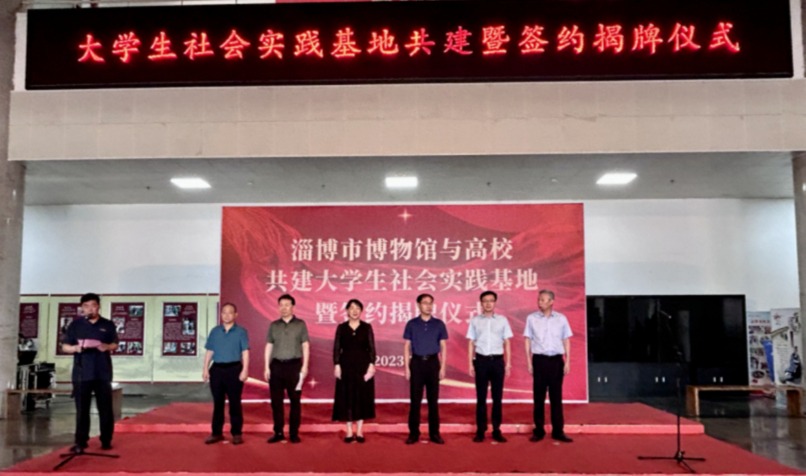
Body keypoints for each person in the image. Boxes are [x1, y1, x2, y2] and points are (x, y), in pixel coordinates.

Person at [61, 293, 119, 453]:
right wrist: (74, 348)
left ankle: (106, 440)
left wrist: (107, 346)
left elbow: (115, 344)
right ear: (82, 308)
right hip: (82, 371)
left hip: (102, 371)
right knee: (82, 408)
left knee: (105, 407)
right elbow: (65, 346)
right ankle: (81, 441)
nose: (90, 309)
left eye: (93, 305)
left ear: (98, 306)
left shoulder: (107, 324)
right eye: (86, 306)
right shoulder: (75, 325)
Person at [524, 289, 573, 443]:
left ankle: (558, 431)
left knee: (556, 397)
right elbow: (528, 340)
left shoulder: (561, 318)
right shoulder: (532, 318)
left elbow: (566, 340)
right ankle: (539, 431)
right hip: (539, 360)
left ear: (552, 301)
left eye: (543, 300)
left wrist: (568, 360)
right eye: (539, 300)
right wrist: (528, 361)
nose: (540, 302)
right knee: (538, 398)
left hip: (556, 361)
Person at [467, 291, 513, 443]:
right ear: (481, 303)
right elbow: (471, 342)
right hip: (481, 361)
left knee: (497, 398)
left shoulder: (502, 320)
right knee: (481, 398)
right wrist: (470, 363)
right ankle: (480, 430)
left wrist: (508, 363)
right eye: (485, 301)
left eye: (491, 300)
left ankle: (496, 430)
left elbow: (507, 342)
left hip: (497, 362)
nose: (488, 303)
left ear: (495, 302)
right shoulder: (475, 320)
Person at [264, 294, 310, 444]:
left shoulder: (300, 324)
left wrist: (305, 366)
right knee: (276, 402)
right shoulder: (274, 325)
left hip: (294, 366)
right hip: (276, 366)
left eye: (287, 305)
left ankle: (293, 433)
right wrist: (266, 366)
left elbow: (305, 345)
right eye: (281, 305)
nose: (283, 308)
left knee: (295, 401)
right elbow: (269, 345)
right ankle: (278, 432)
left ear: (293, 307)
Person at [403, 294, 448, 445]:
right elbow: (407, 346)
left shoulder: (439, 324)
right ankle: (413, 433)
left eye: (430, 303)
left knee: (433, 401)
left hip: (433, 363)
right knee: (415, 401)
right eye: (425, 303)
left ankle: (434, 433)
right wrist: (407, 367)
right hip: (416, 363)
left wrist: (443, 366)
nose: (428, 306)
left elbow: (443, 346)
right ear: (418, 305)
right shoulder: (412, 324)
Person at [203, 302, 250, 445]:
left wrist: (245, 370)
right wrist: (205, 368)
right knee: (218, 403)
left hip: (234, 369)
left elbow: (245, 351)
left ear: (235, 315)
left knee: (235, 403)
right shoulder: (215, 331)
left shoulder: (241, 331)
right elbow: (209, 351)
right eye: (224, 312)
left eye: (230, 312)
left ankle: (236, 433)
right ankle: (216, 433)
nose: (227, 315)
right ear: (221, 314)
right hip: (217, 369)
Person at [332, 299, 377, 443]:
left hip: (362, 366)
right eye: (351, 308)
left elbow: (372, 348)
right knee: (347, 397)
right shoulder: (342, 328)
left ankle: (360, 430)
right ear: (347, 311)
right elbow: (336, 347)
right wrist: (337, 364)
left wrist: (371, 365)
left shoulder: (366, 327)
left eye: (357, 308)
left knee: (361, 397)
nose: (355, 311)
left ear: (361, 311)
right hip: (346, 365)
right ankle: (349, 431)